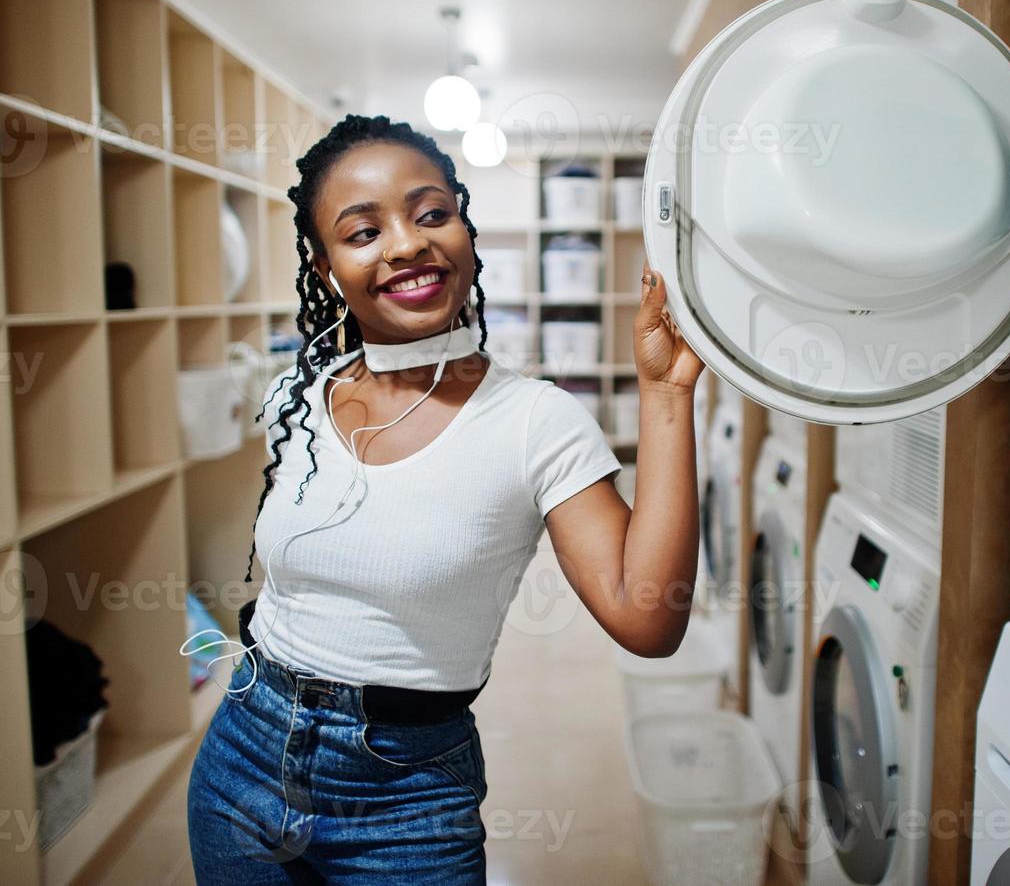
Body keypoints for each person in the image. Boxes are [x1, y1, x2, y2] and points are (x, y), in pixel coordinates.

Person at [185, 114, 703, 883]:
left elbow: (648, 617)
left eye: (432, 215)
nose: (406, 243)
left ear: (465, 233)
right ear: (326, 270)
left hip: (407, 795)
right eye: (362, 232)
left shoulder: (534, 421)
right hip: (244, 754)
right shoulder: (297, 393)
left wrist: (663, 395)